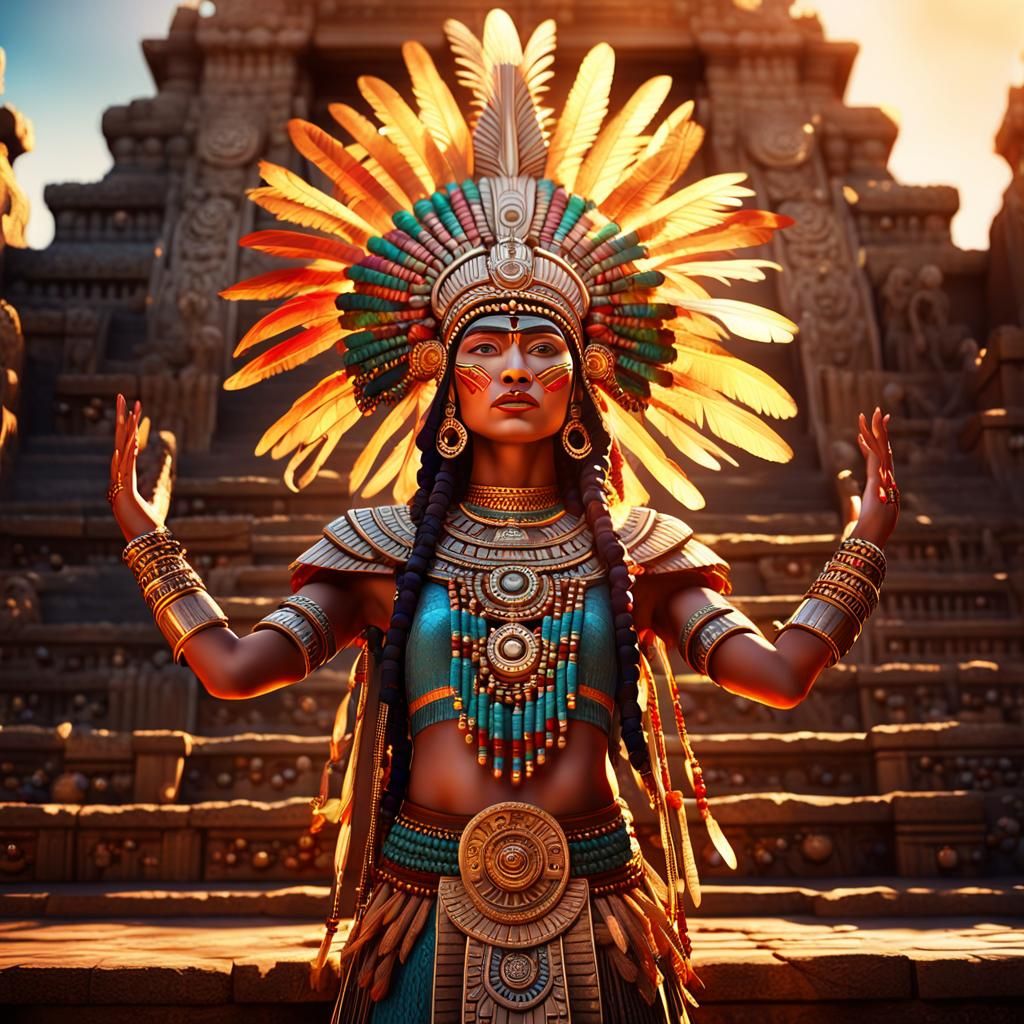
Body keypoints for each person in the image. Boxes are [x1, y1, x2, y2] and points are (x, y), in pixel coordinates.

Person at [106, 11, 899, 1022]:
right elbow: (231, 669)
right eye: (485, 346)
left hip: (603, 915)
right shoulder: (379, 551)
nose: (516, 367)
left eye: (542, 344)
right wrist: (146, 536)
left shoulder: (642, 552)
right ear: (443, 375)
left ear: (586, 372)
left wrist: (863, 544)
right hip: (417, 913)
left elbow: (780, 677)